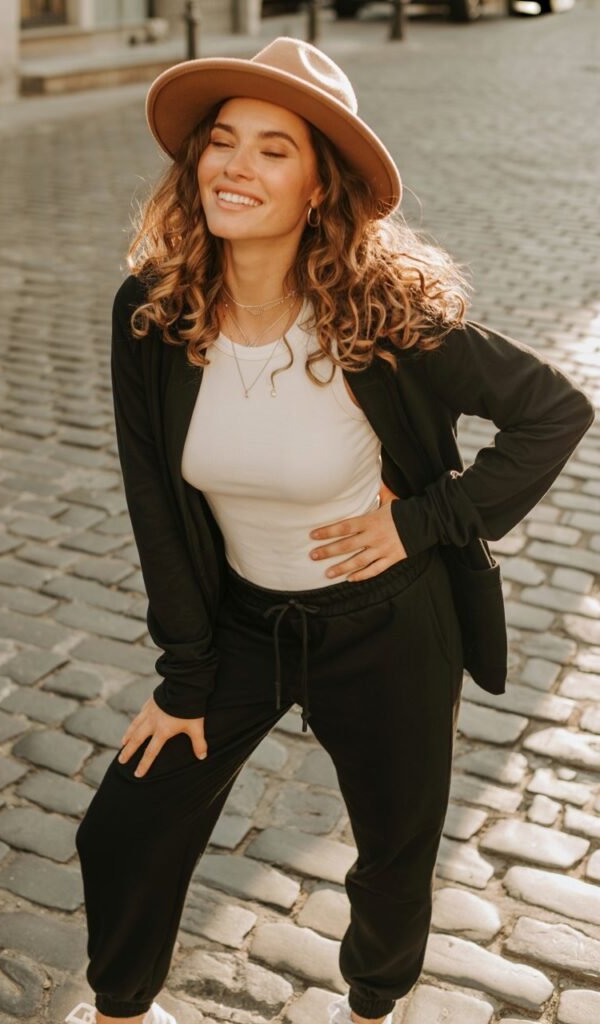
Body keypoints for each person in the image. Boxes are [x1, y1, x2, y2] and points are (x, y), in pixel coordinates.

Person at [69, 36, 595, 1024]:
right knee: (125, 826)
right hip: (240, 628)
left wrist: (423, 523)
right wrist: (184, 676)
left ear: (318, 187)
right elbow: (153, 500)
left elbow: (553, 411)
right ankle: (121, 1012)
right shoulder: (152, 310)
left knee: (394, 858)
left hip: (389, 627)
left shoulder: (385, 313)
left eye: (275, 149)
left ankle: (370, 1010)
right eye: (223, 141)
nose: (235, 165)